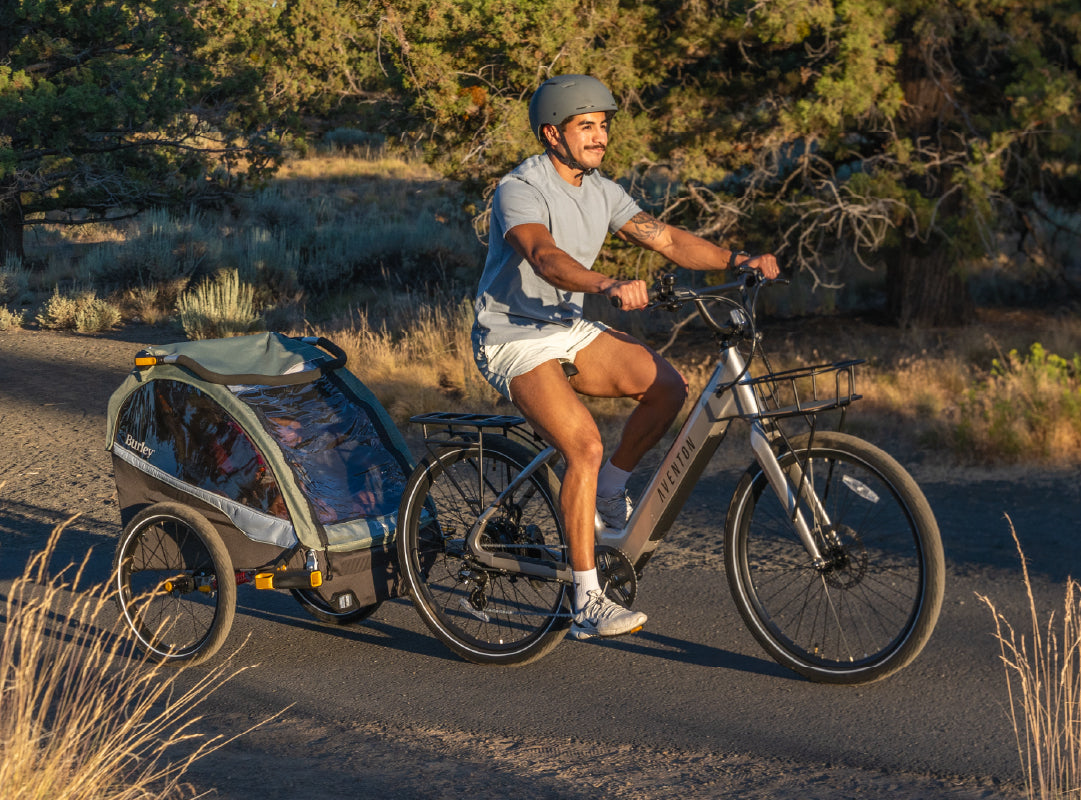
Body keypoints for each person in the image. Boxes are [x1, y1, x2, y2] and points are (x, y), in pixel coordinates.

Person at [471, 74, 780, 642]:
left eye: (604, 125)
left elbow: (666, 240)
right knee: (583, 445)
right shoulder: (521, 188)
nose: (600, 136)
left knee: (668, 386)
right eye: (586, 125)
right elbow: (545, 258)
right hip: (512, 335)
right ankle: (586, 600)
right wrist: (608, 281)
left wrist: (738, 258)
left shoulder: (603, 191)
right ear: (552, 134)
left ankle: (610, 489)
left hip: (565, 328)